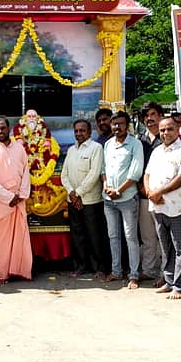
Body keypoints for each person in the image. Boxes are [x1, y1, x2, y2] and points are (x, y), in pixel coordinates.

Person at [145, 117, 181, 299]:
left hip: (178, 208)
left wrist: (160, 192)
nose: (165, 133)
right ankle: (168, 281)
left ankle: (180, 286)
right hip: (158, 207)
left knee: (180, 247)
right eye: (162, 130)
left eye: (169, 129)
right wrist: (150, 193)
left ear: (178, 130)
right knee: (165, 247)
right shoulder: (157, 151)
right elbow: (147, 174)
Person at [0, 118, 33, 284]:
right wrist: (8, 197)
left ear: (9, 128)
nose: (0, 131)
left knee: (19, 238)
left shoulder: (19, 148)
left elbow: (26, 172)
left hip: (18, 200)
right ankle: (1, 274)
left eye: (2, 128)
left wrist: (21, 194)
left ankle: (19, 271)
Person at [101, 111, 145, 289]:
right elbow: (103, 169)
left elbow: (135, 172)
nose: (117, 127)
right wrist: (106, 186)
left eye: (120, 124)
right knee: (113, 236)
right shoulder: (108, 144)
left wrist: (119, 190)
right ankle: (116, 271)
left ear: (127, 126)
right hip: (108, 199)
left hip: (127, 198)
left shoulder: (135, 144)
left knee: (130, 237)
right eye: (114, 124)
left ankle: (133, 275)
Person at [62, 119, 109, 278]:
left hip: (91, 201)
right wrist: (72, 193)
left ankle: (100, 268)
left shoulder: (96, 148)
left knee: (95, 236)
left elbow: (94, 174)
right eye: (76, 131)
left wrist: (79, 193)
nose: (79, 134)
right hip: (74, 201)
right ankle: (81, 266)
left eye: (82, 130)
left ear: (89, 132)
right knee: (77, 235)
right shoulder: (71, 150)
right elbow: (64, 175)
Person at [137, 102, 164, 286]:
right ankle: (148, 269)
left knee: (164, 236)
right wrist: (142, 188)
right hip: (143, 193)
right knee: (147, 236)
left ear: (160, 115)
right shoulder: (139, 140)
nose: (150, 118)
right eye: (146, 115)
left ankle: (165, 273)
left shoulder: (167, 137)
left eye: (153, 114)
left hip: (163, 195)